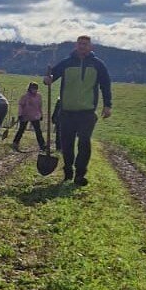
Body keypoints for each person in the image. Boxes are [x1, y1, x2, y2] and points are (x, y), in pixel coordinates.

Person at [44, 35, 112, 186]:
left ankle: (80, 174)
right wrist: (47, 79)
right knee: (67, 143)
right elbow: (50, 77)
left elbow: (105, 85)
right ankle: (68, 171)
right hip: (67, 111)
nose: (82, 46)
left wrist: (108, 105)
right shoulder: (66, 63)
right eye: (80, 44)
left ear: (90, 47)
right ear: (76, 46)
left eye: (85, 44)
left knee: (84, 142)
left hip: (87, 112)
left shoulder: (97, 65)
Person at [12, 82, 45, 152]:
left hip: (35, 116)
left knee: (38, 131)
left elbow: (40, 106)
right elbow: (20, 106)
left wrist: (41, 115)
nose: (35, 90)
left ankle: (42, 145)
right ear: (29, 88)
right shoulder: (25, 96)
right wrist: (20, 114)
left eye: (36, 88)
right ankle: (15, 143)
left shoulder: (39, 96)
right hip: (25, 115)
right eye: (33, 88)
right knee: (21, 130)